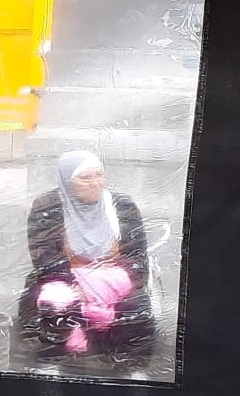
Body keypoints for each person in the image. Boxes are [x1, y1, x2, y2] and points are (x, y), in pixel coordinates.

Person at [18, 150, 154, 362]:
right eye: (85, 178)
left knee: (137, 305)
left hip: (114, 283)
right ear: (67, 181)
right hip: (65, 280)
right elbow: (44, 257)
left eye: (99, 175)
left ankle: (130, 364)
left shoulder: (122, 206)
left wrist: (106, 287)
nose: (95, 183)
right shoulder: (48, 206)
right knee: (56, 301)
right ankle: (52, 362)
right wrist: (75, 286)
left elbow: (137, 255)